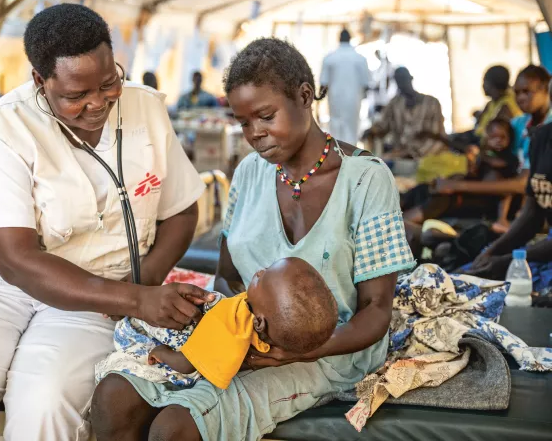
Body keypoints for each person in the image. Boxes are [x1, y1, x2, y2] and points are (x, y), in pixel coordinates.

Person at [0, 4, 213, 441]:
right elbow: (16, 261)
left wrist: (141, 282)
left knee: (47, 406)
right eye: (75, 96)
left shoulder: (145, 110)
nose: (98, 102)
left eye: (109, 83)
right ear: (39, 82)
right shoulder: (4, 129)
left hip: (96, 290)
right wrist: (135, 298)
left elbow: (182, 209)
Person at [91, 38, 415, 441]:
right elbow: (227, 277)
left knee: (177, 426)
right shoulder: (248, 173)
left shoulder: (366, 179)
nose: (255, 134)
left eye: (265, 116)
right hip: (242, 335)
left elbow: (377, 311)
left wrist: (297, 350)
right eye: (244, 123)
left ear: (304, 95)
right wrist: (228, 325)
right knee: (114, 397)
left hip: (333, 351)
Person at [95, 257, 338, 390]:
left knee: (124, 354)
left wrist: (161, 353)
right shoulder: (265, 326)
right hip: (201, 342)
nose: (259, 272)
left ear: (260, 323)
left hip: (178, 355)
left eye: (262, 278)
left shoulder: (234, 322)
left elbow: (186, 363)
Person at [433, 65, 551, 197]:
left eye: (526, 91)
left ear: (546, 90)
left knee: (448, 193)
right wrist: (482, 151)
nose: (520, 97)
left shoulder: (547, 128)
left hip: (532, 197)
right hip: (512, 188)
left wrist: (457, 186)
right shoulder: (519, 122)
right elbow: (495, 145)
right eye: (517, 92)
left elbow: (523, 184)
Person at [467, 121, 552, 281]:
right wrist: (491, 252)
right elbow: (532, 215)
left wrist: (509, 261)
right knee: (466, 273)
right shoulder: (541, 138)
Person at [401, 118, 519, 227]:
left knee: (440, 199)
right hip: (471, 194)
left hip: (483, 202)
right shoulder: (485, 155)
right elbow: (473, 175)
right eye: (493, 137)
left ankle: (401, 222)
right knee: (423, 189)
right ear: (487, 137)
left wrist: (480, 156)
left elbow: (498, 168)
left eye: (502, 137)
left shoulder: (506, 159)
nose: (498, 141)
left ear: (509, 139)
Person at [363, 67, 447, 159]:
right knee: (380, 164)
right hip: (401, 153)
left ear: (411, 79)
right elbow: (382, 126)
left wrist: (415, 153)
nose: (401, 83)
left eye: (403, 78)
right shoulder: (394, 104)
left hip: (429, 153)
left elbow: (437, 134)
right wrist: (371, 131)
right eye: (398, 80)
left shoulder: (432, 103)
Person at [446, 65, 522, 151]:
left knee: (452, 143)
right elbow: (481, 120)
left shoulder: (506, 106)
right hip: (478, 137)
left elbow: (496, 133)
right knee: (449, 139)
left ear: (493, 84)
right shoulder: (492, 102)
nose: (483, 85)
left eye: (484, 81)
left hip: (485, 143)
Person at [320, 28, 370, 144]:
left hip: (335, 99)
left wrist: (318, 100)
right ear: (350, 39)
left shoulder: (330, 58)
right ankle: (351, 154)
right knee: (352, 126)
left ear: (339, 39)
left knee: (336, 126)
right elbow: (366, 84)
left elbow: (323, 84)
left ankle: (336, 154)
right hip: (354, 99)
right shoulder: (360, 59)